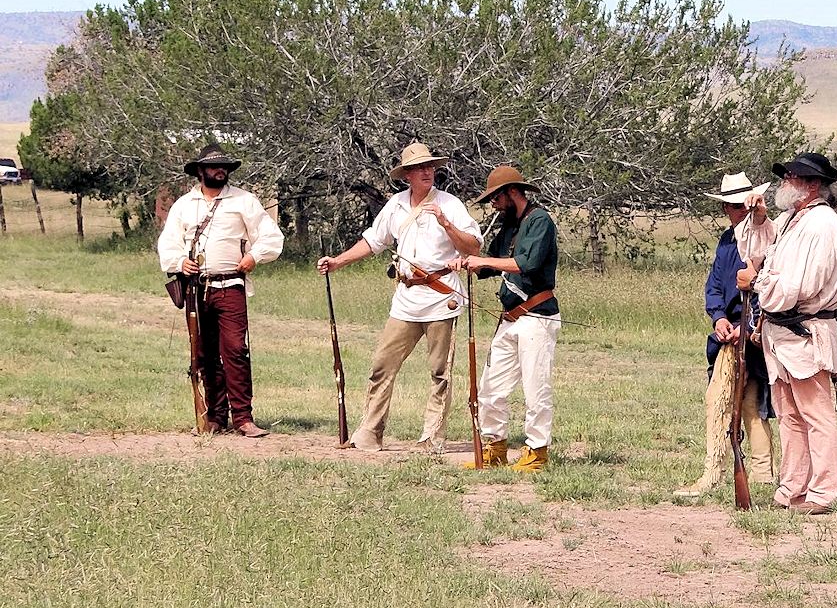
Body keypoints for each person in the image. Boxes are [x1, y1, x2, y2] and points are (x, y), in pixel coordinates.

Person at [317, 143, 482, 452]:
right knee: (382, 365)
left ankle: (431, 438)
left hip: (441, 298)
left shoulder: (451, 204)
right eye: (420, 168)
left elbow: (473, 248)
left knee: (440, 372)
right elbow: (373, 241)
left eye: (430, 166)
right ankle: (370, 432)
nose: (427, 171)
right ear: (407, 174)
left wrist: (446, 223)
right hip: (406, 298)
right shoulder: (395, 205)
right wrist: (338, 261)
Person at [736, 152, 837, 514]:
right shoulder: (790, 220)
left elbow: (799, 285)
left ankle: (823, 492)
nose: (785, 183)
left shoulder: (822, 225)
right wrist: (758, 220)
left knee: (815, 414)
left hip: (805, 328)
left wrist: (757, 283)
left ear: (812, 185)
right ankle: (793, 487)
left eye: (791, 178)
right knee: (789, 414)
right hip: (781, 331)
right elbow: (758, 251)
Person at [157, 143, 284, 437]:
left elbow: (270, 236)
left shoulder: (244, 201)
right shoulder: (184, 205)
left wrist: (254, 256)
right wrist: (180, 262)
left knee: (236, 350)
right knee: (204, 354)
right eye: (214, 167)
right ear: (200, 171)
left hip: (230, 286)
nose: (220, 171)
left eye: (224, 166)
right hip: (196, 290)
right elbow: (169, 242)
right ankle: (214, 417)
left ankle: (243, 418)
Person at [674, 173, 776, 499]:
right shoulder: (726, 241)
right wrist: (719, 318)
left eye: (739, 205)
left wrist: (750, 326)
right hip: (729, 331)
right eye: (731, 206)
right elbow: (715, 286)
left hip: (756, 332)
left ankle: (761, 478)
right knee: (718, 402)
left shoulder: (765, 239)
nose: (735, 211)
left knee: (752, 406)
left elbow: (769, 288)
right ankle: (714, 470)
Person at [456, 166, 560, 472]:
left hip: (537, 316)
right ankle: (495, 447)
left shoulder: (539, 221)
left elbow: (526, 263)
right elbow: (493, 261)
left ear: (512, 192)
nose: (493, 204)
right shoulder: (510, 225)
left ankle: (537, 452)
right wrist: (470, 264)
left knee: (535, 387)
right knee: (490, 387)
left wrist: (483, 260)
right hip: (512, 317)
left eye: (496, 197)